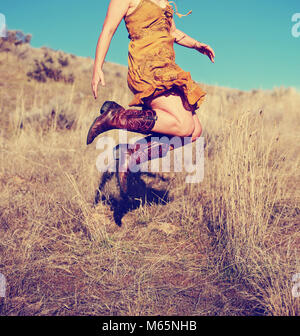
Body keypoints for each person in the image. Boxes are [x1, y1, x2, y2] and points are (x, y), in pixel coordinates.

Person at [86, 0, 215, 195]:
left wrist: (196, 45)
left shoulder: (165, 3)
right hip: (148, 66)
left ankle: (131, 153)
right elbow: (108, 29)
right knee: (184, 125)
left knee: (194, 131)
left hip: (168, 67)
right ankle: (116, 117)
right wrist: (97, 67)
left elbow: (173, 33)